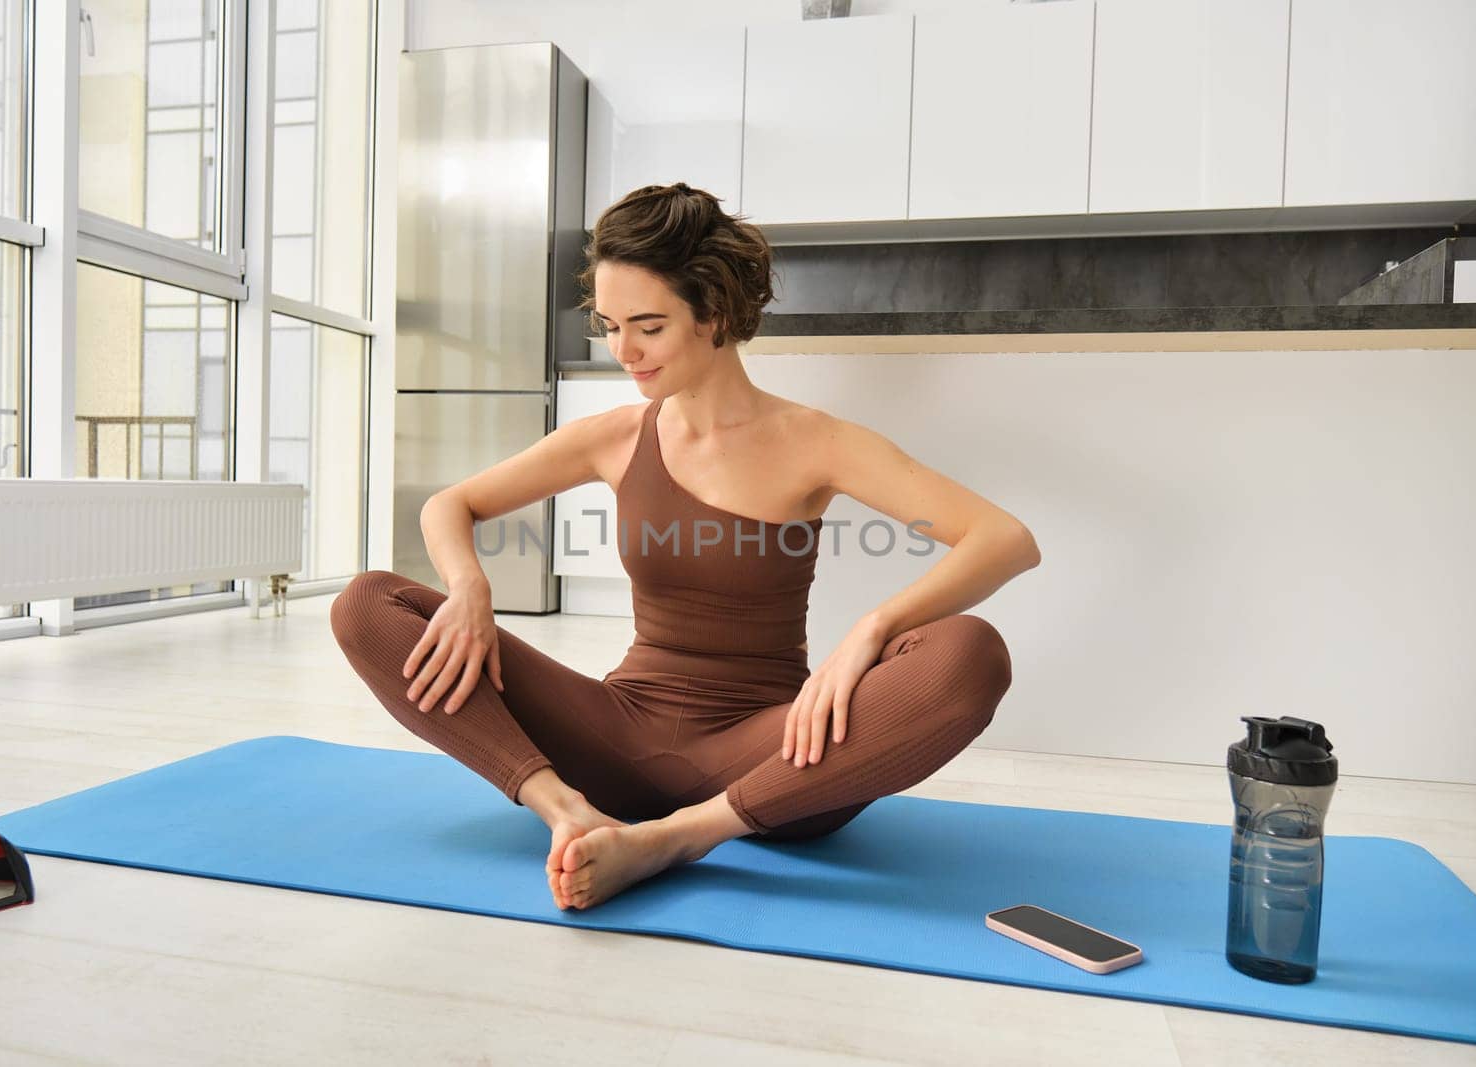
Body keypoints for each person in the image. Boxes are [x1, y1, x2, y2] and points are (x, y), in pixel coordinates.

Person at [331, 182, 1040, 912]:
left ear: (717, 313)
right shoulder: (614, 436)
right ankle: (566, 812)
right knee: (367, 603)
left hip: (778, 758)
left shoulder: (816, 442)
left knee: (969, 653)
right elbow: (452, 504)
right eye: (609, 325)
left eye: (648, 325)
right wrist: (470, 589)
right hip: (613, 740)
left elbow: (1004, 539)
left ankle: (679, 837)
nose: (623, 351)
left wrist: (872, 629)